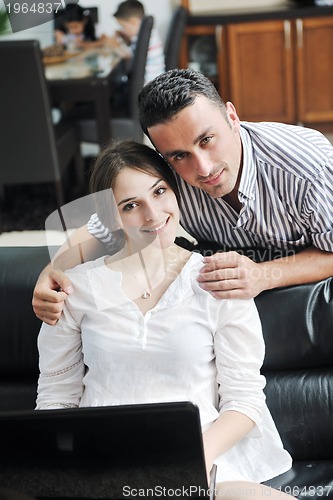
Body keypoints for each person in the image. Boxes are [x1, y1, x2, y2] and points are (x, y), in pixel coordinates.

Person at [35, 139, 293, 498]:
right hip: (102, 466)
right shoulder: (75, 290)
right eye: (131, 205)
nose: (153, 215)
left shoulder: (218, 280)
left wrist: (192, 459)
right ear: (111, 217)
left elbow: (245, 399)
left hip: (203, 461)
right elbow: (56, 398)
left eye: (159, 192)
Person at [32, 68, 333, 325]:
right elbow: (102, 229)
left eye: (207, 140)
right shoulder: (163, 176)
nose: (203, 169)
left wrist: (265, 275)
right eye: (179, 156)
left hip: (310, 289)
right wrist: (52, 271)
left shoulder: (309, 166)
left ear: (232, 116)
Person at [104, 0, 165, 85]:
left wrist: (115, 46)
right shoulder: (148, 33)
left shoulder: (145, 38)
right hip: (153, 81)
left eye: (123, 26)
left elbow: (130, 58)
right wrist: (126, 38)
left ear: (133, 22)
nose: (122, 29)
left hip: (147, 85)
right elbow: (135, 52)